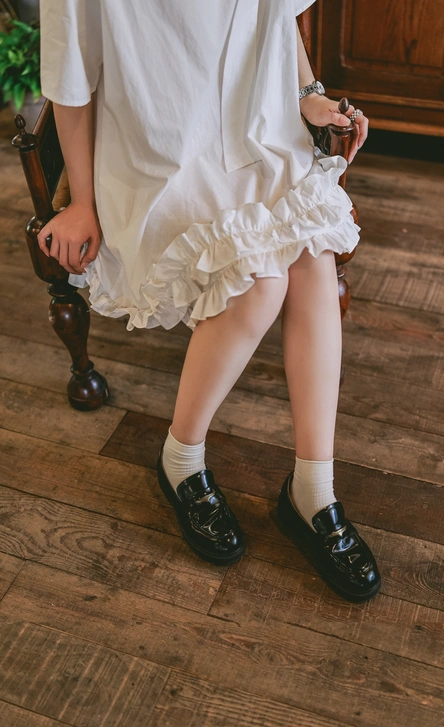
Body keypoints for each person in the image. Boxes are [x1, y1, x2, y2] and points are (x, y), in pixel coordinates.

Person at [38, 0, 381, 603]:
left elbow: (278, 14)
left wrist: (309, 95)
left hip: (259, 127)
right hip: (160, 149)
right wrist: (82, 202)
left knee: (313, 262)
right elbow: (70, 77)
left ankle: (313, 490)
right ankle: (181, 460)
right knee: (262, 281)